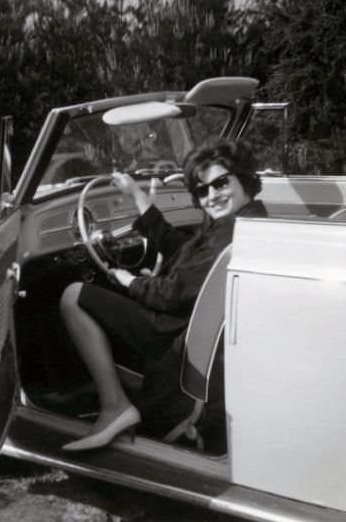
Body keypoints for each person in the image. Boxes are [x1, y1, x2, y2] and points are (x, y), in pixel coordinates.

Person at [59, 137, 266, 451]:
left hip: (173, 336)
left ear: (244, 178)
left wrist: (131, 282)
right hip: (184, 327)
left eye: (221, 183)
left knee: (74, 296)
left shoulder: (231, 234)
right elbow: (181, 251)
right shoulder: (241, 222)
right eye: (202, 190)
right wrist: (138, 196)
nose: (212, 195)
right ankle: (87, 387)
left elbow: (170, 294)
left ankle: (115, 407)